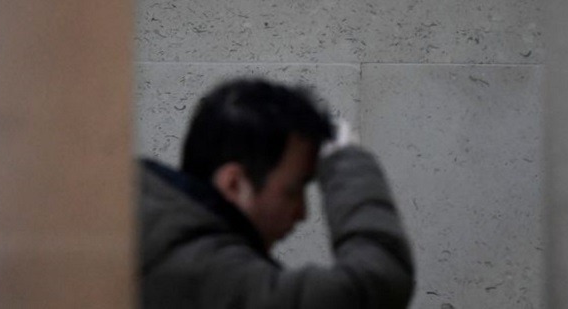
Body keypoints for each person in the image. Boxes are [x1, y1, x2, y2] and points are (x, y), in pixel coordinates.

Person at [138, 77, 414, 308]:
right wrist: (346, 159)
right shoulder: (212, 276)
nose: (302, 214)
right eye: (292, 191)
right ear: (234, 184)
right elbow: (378, 283)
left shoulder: (148, 234)